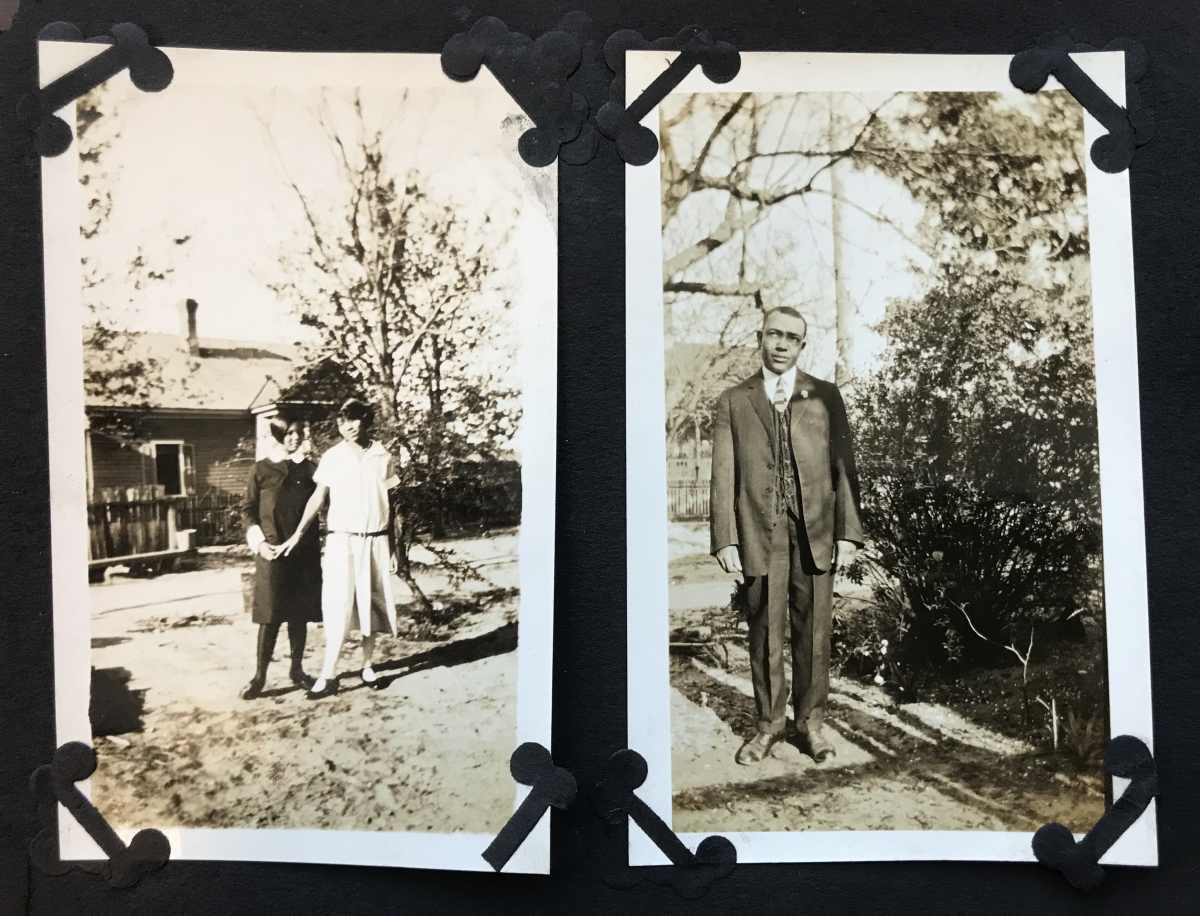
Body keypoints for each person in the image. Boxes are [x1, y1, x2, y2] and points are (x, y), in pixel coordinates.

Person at [710, 306, 864, 764]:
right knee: (764, 630)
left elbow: (844, 469)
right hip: (760, 532)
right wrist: (725, 538)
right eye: (773, 334)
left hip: (814, 530)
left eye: (791, 338)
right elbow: (722, 474)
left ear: (802, 345)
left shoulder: (825, 396)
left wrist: (848, 534)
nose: (780, 344)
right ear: (760, 337)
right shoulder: (734, 400)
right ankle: (767, 727)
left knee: (814, 631)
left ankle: (810, 726)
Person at [279, 398, 399, 700]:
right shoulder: (332, 457)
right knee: (337, 606)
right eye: (345, 421)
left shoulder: (384, 456)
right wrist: (297, 533)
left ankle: (367, 666)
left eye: (357, 419)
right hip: (341, 542)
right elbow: (318, 497)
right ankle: (328, 675)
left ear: (366, 421)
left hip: (376, 540)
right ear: (339, 425)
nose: (351, 425)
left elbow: (394, 504)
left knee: (372, 604)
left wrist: (395, 548)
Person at [239, 414, 321, 699]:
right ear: (278, 435)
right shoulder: (261, 470)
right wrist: (259, 543)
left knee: (299, 615)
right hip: (271, 552)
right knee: (270, 615)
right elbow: (248, 510)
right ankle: (259, 678)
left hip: (303, 552)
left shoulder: (312, 470)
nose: (294, 438)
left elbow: (324, 502)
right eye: (288, 433)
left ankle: (297, 671)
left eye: (298, 432)